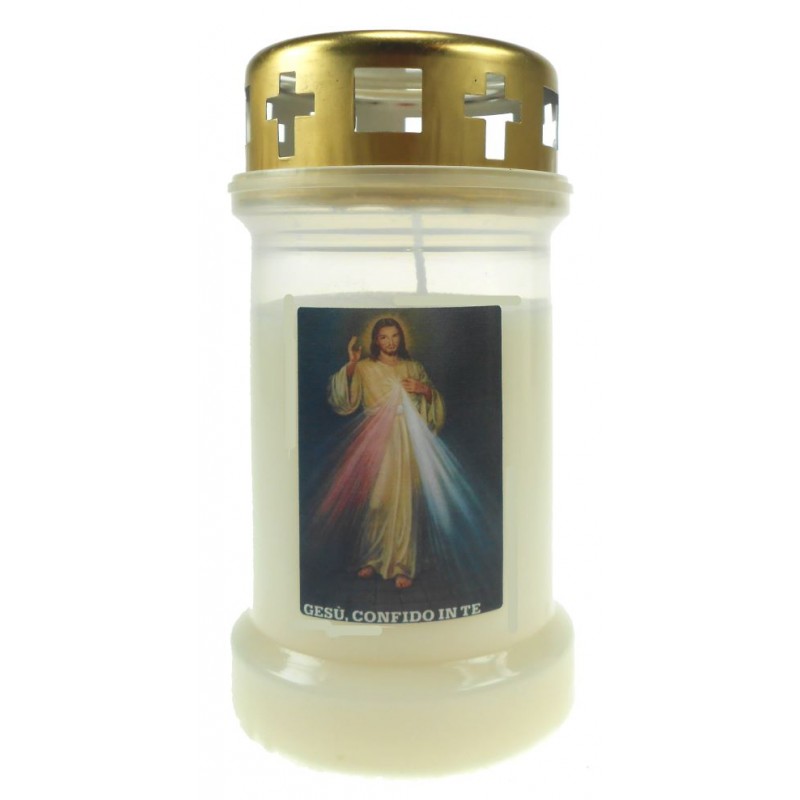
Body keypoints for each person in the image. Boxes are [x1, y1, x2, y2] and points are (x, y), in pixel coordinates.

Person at [326, 318, 445, 589]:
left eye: (394, 336)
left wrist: (424, 390)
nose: (390, 342)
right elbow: (343, 399)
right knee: (377, 501)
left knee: (404, 502)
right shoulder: (365, 367)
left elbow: (433, 404)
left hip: (407, 439)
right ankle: (372, 558)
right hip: (377, 438)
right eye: (383, 337)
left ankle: (402, 564)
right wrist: (352, 363)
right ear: (376, 341)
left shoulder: (413, 367)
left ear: (401, 338)